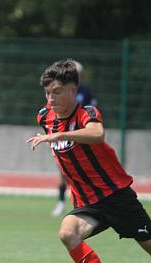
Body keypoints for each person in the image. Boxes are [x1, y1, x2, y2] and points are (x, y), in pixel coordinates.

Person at [27, 59, 151, 263]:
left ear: (74, 89)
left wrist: (59, 136)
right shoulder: (44, 117)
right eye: (48, 93)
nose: (51, 98)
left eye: (58, 92)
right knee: (67, 234)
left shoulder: (87, 113)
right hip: (88, 203)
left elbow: (97, 134)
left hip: (118, 198)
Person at [51, 60, 98, 217]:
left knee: (83, 172)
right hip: (64, 137)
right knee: (64, 173)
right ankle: (61, 203)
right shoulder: (59, 91)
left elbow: (92, 112)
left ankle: (86, 204)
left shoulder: (85, 91)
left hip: (81, 138)